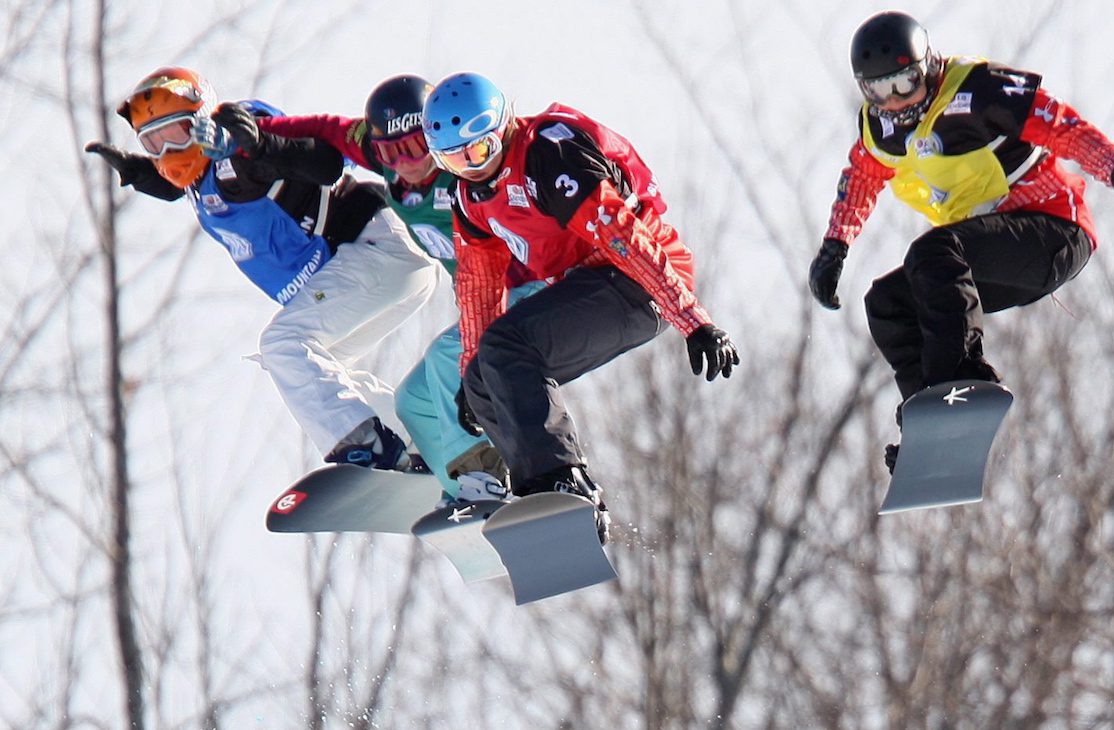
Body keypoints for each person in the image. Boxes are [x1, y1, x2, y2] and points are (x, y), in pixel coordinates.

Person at [807, 12, 1114, 472]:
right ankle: (931, 423)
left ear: (927, 68)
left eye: (905, 85)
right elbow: (862, 179)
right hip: (990, 255)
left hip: (1052, 231)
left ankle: (966, 383)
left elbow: (1057, 122)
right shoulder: (882, 130)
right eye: (880, 92)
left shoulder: (976, 91)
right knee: (889, 302)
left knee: (932, 253)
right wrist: (835, 248)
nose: (894, 102)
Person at [421, 72, 740, 541]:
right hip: (592, 286)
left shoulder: (547, 155)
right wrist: (472, 376)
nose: (472, 168)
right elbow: (477, 287)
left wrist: (692, 320)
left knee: (508, 344)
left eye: (478, 151)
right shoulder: (471, 198)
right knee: (486, 374)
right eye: (453, 159)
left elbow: (622, 236)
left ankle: (564, 482)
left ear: (503, 128)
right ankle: (531, 490)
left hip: (639, 279)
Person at [85, 67, 439, 472]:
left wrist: (258, 145)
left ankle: (368, 446)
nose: (168, 153)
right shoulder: (202, 178)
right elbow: (187, 183)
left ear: (203, 121)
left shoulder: (238, 147)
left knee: (285, 345)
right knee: (311, 368)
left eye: (177, 134)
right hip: (377, 268)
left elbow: (323, 165)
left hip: (375, 246)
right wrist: (141, 172)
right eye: (153, 141)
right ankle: (425, 446)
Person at [255, 74, 548, 505]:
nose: (407, 162)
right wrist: (253, 137)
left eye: (415, 147)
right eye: (392, 152)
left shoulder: (467, 171)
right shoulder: (386, 163)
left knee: (447, 362)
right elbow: (325, 129)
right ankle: (458, 491)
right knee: (415, 402)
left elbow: (522, 155)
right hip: (484, 306)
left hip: (529, 293)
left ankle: (489, 477)